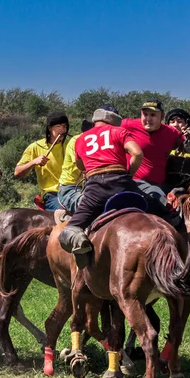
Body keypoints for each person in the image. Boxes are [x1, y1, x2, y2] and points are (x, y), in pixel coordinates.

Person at [58, 107, 143, 263]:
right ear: (115, 121)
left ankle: (81, 244)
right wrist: (129, 174)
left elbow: (80, 166)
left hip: (95, 188)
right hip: (123, 184)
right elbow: (137, 153)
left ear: (94, 121)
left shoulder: (81, 139)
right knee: (161, 213)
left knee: (69, 230)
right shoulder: (119, 132)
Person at [121, 99, 190, 208]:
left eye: (153, 115)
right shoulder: (127, 125)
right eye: (145, 114)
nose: (148, 119)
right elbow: (105, 129)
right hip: (135, 183)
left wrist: (189, 136)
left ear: (162, 116)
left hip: (161, 185)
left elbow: (189, 149)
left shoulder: (171, 132)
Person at [15, 112, 69, 212]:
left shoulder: (71, 145)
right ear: (49, 128)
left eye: (64, 126)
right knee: (64, 213)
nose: (63, 129)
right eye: (58, 126)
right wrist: (34, 162)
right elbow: (17, 172)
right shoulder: (35, 147)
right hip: (52, 193)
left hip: (71, 191)